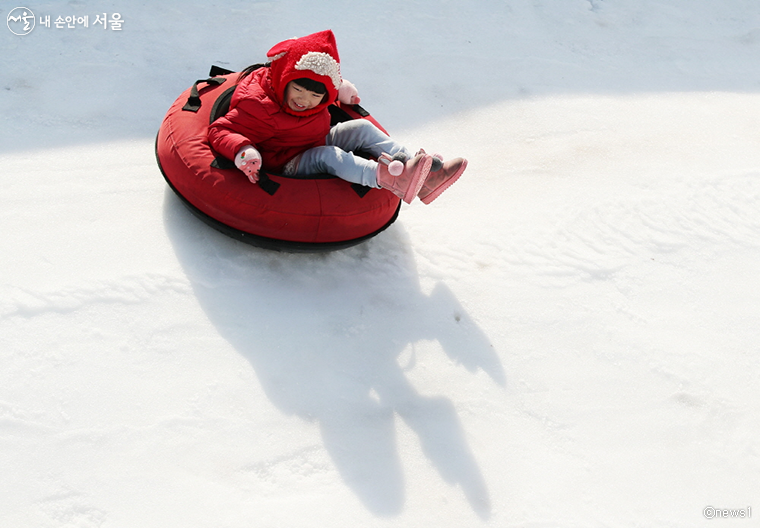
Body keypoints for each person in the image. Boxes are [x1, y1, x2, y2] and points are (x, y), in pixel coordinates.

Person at [208, 29, 466, 204]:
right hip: (283, 160)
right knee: (329, 157)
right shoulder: (259, 104)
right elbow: (219, 131)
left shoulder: (319, 95)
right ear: (283, 80)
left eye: (314, 96)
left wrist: (339, 90)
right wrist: (243, 150)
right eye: (297, 89)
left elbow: (323, 86)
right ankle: (390, 178)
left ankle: (417, 169)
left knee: (361, 129)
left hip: (313, 138)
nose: (304, 100)